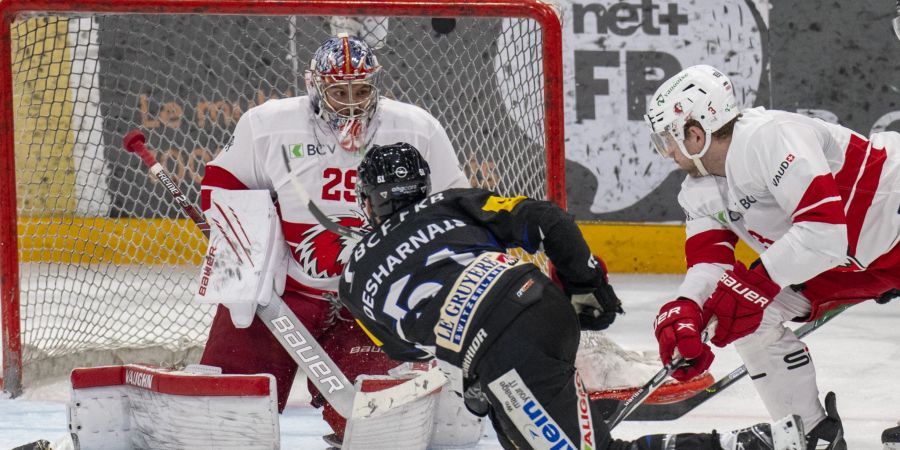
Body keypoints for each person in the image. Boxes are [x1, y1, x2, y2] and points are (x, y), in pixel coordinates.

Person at [338, 142, 809, 450]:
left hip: (499, 353)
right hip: (538, 306)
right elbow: (547, 219)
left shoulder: (353, 279)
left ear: (368, 200)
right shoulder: (448, 203)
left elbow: (408, 348)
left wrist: (476, 371)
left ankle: (753, 445)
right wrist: (587, 286)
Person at [197, 34, 474, 444]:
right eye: (337, 91)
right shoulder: (269, 124)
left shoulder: (416, 128)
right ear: (315, 86)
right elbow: (219, 186)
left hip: (375, 297)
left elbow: (455, 206)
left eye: (361, 90)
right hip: (281, 294)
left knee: (380, 428)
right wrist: (240, 239)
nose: (350, 102)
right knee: (230, 425)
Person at [644, 64, 900, 450]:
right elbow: (709, 264)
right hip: (846, 262)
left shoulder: (770, 138)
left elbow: (824, 232)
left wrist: (754, 285)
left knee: (747, 296)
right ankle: (809, 432)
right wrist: (687, 309)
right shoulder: (697, 191)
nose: (665, 151)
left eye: (668, 138)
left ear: (694, 133)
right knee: (749, 317)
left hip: (887, 223)